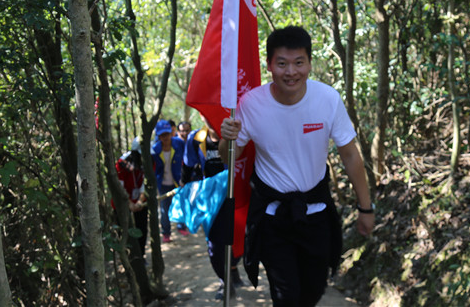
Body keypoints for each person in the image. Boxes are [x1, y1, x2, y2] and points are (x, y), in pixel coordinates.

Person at [220, 26, 375, 306]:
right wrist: (226, 139)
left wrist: (365, 208)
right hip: (273, 216)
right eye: (282, 63)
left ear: (309, 63)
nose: (291, 72)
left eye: (299, 62)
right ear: (269, 65)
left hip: (316, 212)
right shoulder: (251, 104)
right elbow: (229, 156)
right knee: (286, 295)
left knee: (313, 290)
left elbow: (350, 155)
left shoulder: (327, 99)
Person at [183, 123, 244, 300]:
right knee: (215, 246)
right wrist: (186, 191)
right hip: (210, 201)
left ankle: (232, 267)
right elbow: (187, 167)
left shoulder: (239, 133)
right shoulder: (196, 138)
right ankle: (225, 281)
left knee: (241, 240)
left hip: (237, 197)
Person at [151, 119, 188, 242]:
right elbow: (153, 168)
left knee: (181, 204)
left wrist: (185, 178)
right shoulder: (155, 149)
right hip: (163, 183)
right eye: (162, 135)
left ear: (171, 133)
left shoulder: (179, 144)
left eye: (167, 134)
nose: (165, 137)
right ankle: (166, 232)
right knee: (164, 209)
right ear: (159, 136)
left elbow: (186, 161)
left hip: (178, 181)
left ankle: (181, 226)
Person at [114, 136, 149, 255]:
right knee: (124, 229)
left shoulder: (151, 160)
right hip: (123, 200)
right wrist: (129, 203)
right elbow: (119, 188)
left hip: (140, 200)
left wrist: (139, 201)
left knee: (142, 227)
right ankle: (126, 256)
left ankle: (141, 255)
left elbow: (146, 184)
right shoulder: (122, 164)